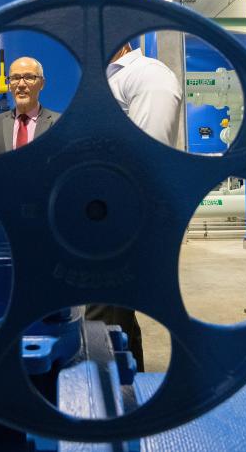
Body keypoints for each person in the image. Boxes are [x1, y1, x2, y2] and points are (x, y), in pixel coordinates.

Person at [84, 42, 182, 372]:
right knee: (116, 314)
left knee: (102, 320)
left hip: (124, 220)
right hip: (102, 216)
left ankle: (109, 402)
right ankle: (127, 387)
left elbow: (147, 156)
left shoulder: (148, 75)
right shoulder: (105, 81)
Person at [0, 56, 59, 155]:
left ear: (42, 84)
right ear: (9, 85)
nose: (21, 84)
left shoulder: (58, 122)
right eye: (15, 78)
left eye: (29, 77)